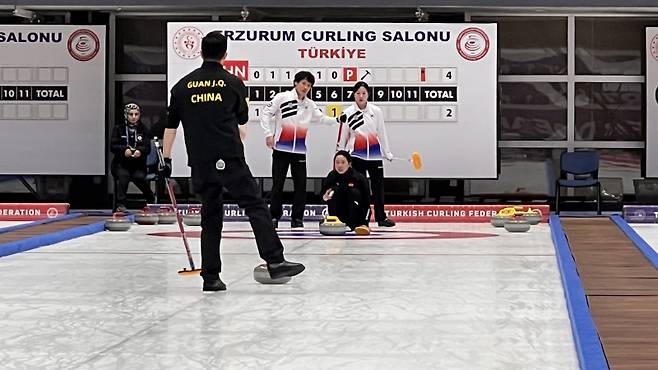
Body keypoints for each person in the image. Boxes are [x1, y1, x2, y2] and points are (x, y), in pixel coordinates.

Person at [161, 31, 305, 292]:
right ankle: (274, 260)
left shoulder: (181, 87)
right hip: (229, 157)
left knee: (211, 216)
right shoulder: (233, 83)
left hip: (201, 162)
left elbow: (171, 126)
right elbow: (241, 120)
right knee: (255, 206)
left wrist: (166, 158)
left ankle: (211, 277)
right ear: (225, 55)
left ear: (201, 52)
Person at [261, 71, 340, 229]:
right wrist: (268, 134)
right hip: (281, 148)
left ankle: (297, 219)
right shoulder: (281, 98)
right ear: (295, 83)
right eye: (303, 83)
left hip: (299, 151)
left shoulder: (310, 105)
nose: (306, 87)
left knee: (301, 185)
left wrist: (338, 119)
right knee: (278, 184)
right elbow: (265, 113)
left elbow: (322, 118)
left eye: (309, 85)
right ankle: (274, 216)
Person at [338, 81, 396, 227]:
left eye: (364, 93)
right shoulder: (347, 113)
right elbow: (343, 136)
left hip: (375, 155)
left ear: (368, 94)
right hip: (357, 155)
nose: (361, 96)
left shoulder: (376, 111)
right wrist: (340, 154)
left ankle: (381, 217)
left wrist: (387, 152)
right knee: (360, 188)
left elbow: (382, 132)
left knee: (378, 186)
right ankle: (361, 219)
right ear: (354, 95)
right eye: (358, 93)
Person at [110, 103, 155, 212]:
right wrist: (124, 150)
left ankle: (151, 199)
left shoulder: (143, 129)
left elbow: (147, 147)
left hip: (138, 165)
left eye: (136, 114)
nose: (134, 117)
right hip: (121, 164)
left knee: (138, 177)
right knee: (123, 175)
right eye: (131, 114)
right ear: (126, 115)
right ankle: (120, 204)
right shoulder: (118, 129)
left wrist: (140, 151)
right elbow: (113, 146)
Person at [322, 150, 371, 235]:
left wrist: (364, 223)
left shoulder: (359, 178)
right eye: (337, 162)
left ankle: (354, 224)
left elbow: (367, 203)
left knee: (354, 192)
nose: (339, 165)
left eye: (343, 162)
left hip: (356, 216)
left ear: (349, 164)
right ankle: (334, 222)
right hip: (338, 218)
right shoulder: (331, 176)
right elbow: (323, 196)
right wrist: (325, 197)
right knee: (334, 191)